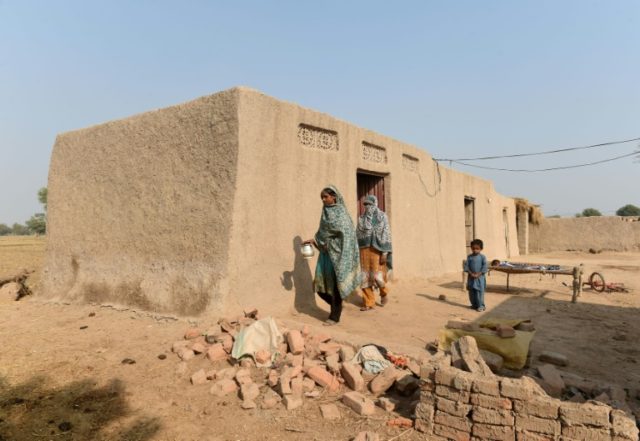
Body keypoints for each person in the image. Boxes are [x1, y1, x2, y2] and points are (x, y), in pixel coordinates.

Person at [304, 185, 361, 325]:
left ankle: (334, 317)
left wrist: (333, 246)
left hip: (340, 255)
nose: (323, 200)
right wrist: (315, 241)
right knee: (319, 287)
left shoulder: (341, 212)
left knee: (335, 287)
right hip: (326, 255)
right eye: (322, 198)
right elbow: (323, 233)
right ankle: (337, 305)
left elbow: (347, 235)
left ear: (334, 196)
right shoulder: (325, 212)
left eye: (326, 197)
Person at [356, 194, 392, 311]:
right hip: (364, 251)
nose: (367, 206)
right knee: (365, 277)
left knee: (377, 276)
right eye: (365, 204)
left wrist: (385, 252)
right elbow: (358, 234)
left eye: (369, 204)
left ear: (375, 203)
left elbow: (386, 234)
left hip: (378, 250)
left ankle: (384, 292)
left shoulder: (382, 217)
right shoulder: (361, 218)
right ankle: (368, 302)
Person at [464, 239, 488, 312]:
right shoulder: (469, 257)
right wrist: (471, 273)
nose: (475, 250)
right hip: (471, 278)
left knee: (479, 293)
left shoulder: (482, 257)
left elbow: (484, 267)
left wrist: (479, 274)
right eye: (473, 248)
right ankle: (474, 305)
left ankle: (481, 306)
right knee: (471, 292)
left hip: (479, 278)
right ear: (471, 248)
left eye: (477, 249)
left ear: (481, 249)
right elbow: (466, 266)